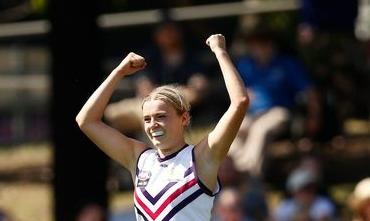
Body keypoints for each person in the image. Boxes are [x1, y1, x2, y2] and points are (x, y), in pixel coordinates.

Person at [76, 34, 249, 221]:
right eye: (147, 119)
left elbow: (240, 102)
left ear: (183, 118)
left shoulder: (201, 157)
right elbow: (86, 120)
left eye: (160, 116)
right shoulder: (139, 158)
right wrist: (119, 72)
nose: (153, 124)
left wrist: (220, 52)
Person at [227, 29, 321, 178]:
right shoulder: (246, 65)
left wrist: (314, 115)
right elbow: (235, 91)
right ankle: (236, 171)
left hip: (279, 111)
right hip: (250, 113)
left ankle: (251, 176)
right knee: (232, 130)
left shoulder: (287, 64)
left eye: (262, 44)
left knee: (261, 129)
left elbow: (309, 91)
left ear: (271, 45)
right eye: (254, 44)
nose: (259, 48)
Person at [104, 21, 210, 137]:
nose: (168, 35)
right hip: (142, 105)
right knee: (105, 115)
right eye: (163, 31)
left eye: (171, 30)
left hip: (180, 109)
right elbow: (144, 89)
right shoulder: (148, 57)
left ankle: (156, 153)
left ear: (180, 33)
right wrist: (168, 97)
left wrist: (162, 101)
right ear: (156, 35)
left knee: (154, 116)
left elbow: (195, 92)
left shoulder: (192, 58)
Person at [272, 167, 336, 221]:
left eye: (311, 189)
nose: (308, 193)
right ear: (294, 192)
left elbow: (324, 217)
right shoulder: (286, 205)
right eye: (304, 189)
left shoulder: (323, 203)